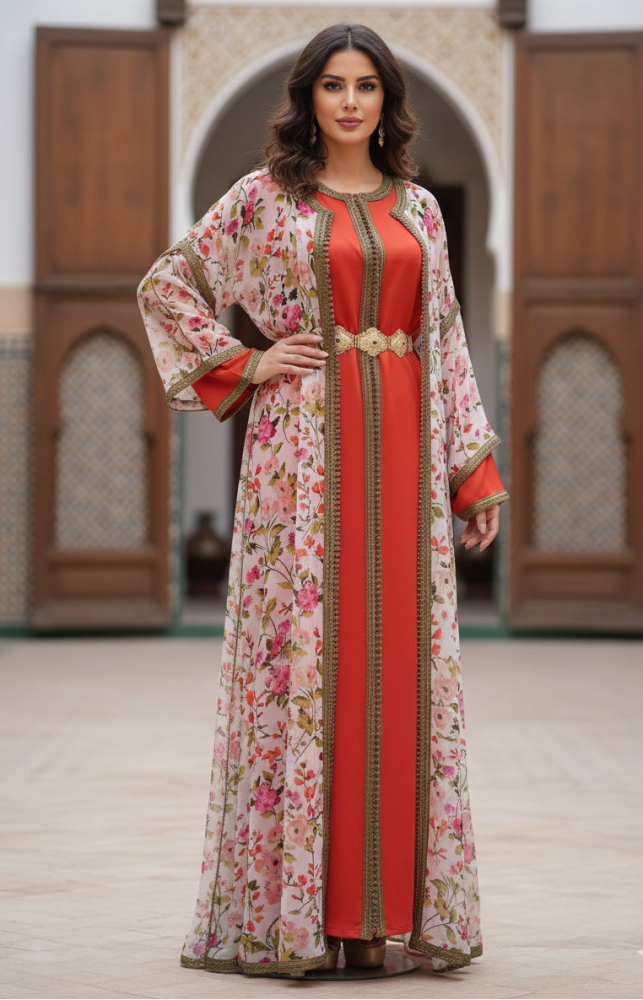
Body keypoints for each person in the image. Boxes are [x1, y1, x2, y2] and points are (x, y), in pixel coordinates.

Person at [137, 22, 509, 979]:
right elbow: (168, 283)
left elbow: (451, 342)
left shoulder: (420, 212)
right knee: (313, 659)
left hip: (404, 457)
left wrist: (472, 473)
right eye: (333, 87)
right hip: (299, 460)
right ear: (307, 99)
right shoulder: (268, 199)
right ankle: (299, 918)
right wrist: (249, 359)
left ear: (387, 101)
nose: (350, 103)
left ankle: (382, 912)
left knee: (394, 662)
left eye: (367, 87)